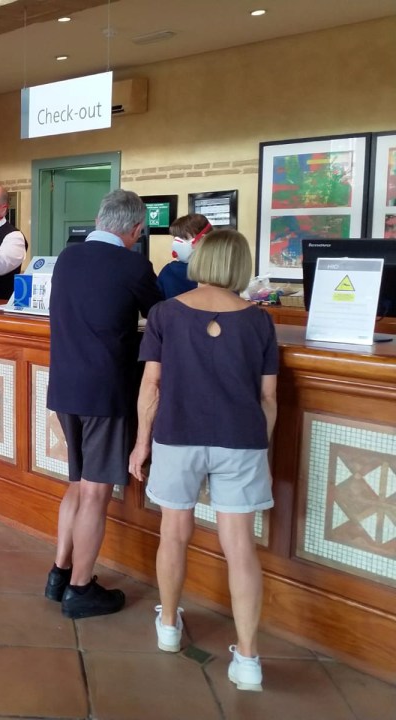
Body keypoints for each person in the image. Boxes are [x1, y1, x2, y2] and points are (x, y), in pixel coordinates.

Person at [129, 229, 278, 692]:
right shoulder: (259, 322)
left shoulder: (164, 314)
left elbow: (151, 387)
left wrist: (141, 443)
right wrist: (258, 444)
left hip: (178, 436)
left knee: (173, 535)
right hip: (241, 440)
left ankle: (170, 626)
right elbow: (269, 397)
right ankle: (249, 659)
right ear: (239, 266)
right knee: (241, 550)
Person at [44, 189, 161, 619]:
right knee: (96, 493)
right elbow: (162, 315)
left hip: (64, 389)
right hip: (104, 392)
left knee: (76, 484)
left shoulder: (67, 258)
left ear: (98, 219)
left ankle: (60, 572)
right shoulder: (133, 264)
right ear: (134, 230)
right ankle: (80, 589)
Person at [156, 213, 212, 299]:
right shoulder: (221, 272)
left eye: (184, 238)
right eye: (175, 238)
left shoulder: (169, 271)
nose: (176, 243)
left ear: (203, 240)